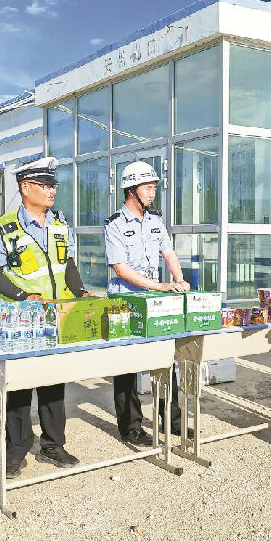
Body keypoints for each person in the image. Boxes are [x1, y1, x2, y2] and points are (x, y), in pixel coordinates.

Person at [0, 157, 89, 478]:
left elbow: (68, 266)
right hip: (22, 321)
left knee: (54, 382)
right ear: (26, 188)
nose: (52, 191)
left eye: (53, 185)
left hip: (55, 318)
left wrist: (80, 292)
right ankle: (16, 450)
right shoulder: (3, 228)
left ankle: (53, 445)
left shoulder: (60, 225)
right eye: (45, 185)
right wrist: (22, 295)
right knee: (19, 387)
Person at [104, 161, 190, 446]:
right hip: (125, 302)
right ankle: (131, 427)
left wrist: (179, 278)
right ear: (131, 190)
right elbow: (120, 269)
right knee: (126, 366)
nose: (153, 193)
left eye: (154, 188)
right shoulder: (115, 225)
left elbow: (168, 252)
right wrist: (162, 286)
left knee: (165, 359)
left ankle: (172, 421)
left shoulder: (155, 221)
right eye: (148, 188)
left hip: (153, 299)